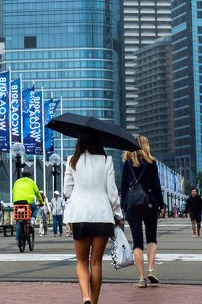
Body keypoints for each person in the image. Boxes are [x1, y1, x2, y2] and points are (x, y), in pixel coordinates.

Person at [64, 129, 124, 304]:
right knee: (96, 262)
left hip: (80, 215)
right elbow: (112, 192)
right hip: (102, 215)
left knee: (81, 261)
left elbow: (68, 191)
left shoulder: (72, 161)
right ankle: (95, 301)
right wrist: (118, 215)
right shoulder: (106, 160)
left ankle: (85, 297)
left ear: (80, 141)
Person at [119, 134, 164, 288]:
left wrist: (123, 205)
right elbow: (157, 186)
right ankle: (151, 269)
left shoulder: (127, 164)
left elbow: (123, 187)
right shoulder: (151, 163)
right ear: (146, 146)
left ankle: (141, 278)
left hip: (132, 206)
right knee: (152, 239)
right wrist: (161, 205)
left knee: (137, 243)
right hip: (149, 205)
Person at [12, 168, 44, 246]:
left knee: (19, 220)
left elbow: (13, 192)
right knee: (35, 208)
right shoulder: (31, 182)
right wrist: (41, 202)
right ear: (30, 176)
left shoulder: (17, 182)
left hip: (17, 203)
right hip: (28, 202)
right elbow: (37, 193)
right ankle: (32, 221)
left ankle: (18, 239)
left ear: (22, 175)